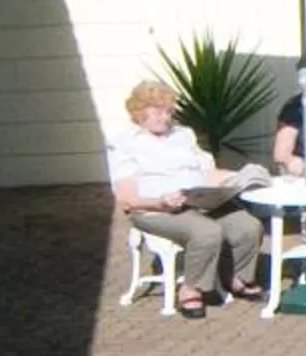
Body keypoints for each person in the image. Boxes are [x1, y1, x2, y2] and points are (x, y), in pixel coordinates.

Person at [107, 78, 265, 316]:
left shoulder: (183, 135)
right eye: (157, 111)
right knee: (207, 232)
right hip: (155, 208)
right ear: (139, 112)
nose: (165, 117)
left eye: (169, 111)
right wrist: (161, 201)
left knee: (248, 226)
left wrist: (239, 178)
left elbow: (206, 173)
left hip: (197, 201)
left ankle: (236, 276)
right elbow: (126, 199)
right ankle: (191, 289)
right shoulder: (126, 143)